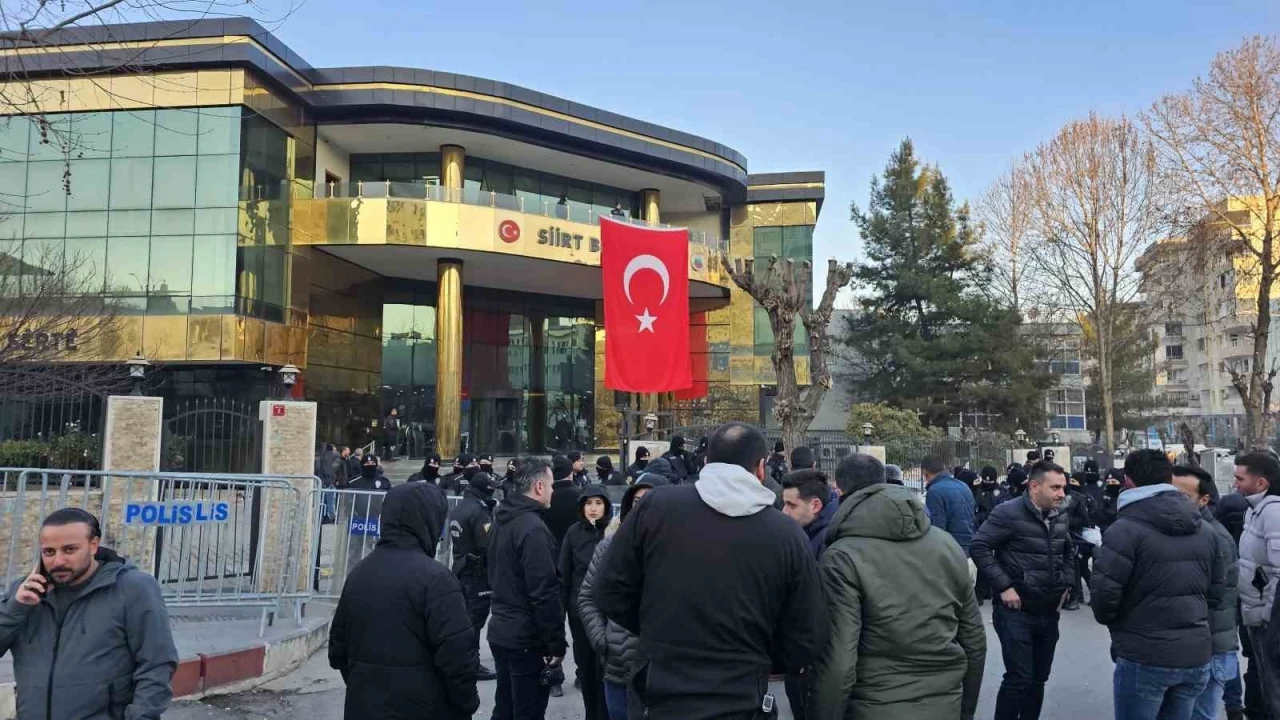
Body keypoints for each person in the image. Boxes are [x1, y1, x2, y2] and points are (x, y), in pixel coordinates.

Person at [595, 422, 823, 720]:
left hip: (661, 692)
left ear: (706, 461)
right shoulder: (787, 534)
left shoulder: (656, 507)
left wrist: (657, 630)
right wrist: (758, 656)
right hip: (740, 695)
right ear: (761, 468)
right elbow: (806, 634)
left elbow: (609, 589)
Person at [809, 454, 986, 720]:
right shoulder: (946, 545)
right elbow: (974, 640)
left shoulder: (842, 557)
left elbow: (839, 660)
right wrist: (965, 710)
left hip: (874, 705)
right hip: (944, 702)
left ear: (840, 491)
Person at [0, 508, 178, 720]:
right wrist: (16, 608)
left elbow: (157, 665)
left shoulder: (132, 588)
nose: (58, 561)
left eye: (69, 550)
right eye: (49, 552)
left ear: (93, 545)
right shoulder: (25, 592)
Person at [329, 481, 480, 719]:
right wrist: (466, 704)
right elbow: (457, 658)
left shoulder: (359, 574)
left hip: (365, 707)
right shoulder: (437, 580)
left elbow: (338, 650)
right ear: (431, 521)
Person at [1091, 450, 1222, 720]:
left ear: (1128, 481)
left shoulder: (1124, 529)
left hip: (1144, 653)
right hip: (1194, 653)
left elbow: (1104, 598)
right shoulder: (1206, 529)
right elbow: (1217, 592)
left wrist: (1123, 627)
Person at [971, 460, 1075, 720]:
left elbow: (1067, 551)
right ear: (1034, 486)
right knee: (1019, 678)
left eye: (1063, 487)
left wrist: (1067, 584)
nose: (1061, 493)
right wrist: (1004, 586)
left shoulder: (1060, 514)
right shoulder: (1007, 512)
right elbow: (980, 547)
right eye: (1055, 487)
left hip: (1048, 610)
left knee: (1038, 679)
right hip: (1015, 611)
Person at [486, 457, 567, 720]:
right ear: (539, 487)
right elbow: (544, 591)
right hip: (525, 637)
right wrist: (555, 643)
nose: (553, 491)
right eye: (551, 485)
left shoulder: (503, 520)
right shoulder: (532, 529)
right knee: (525, 710)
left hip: (502, 629)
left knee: (505, 707)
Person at [578, 476, 660, 720]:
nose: (642, 508)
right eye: (637, 501)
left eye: (650, 501)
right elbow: (587, 597)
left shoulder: (679, 549)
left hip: (664, 670)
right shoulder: (609, 547)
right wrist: (602, 640)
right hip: (619, 668)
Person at [1171, 464, 1240, 720]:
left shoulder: (1213, 537)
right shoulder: (1189, 531)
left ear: (1203, 500)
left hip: (1211, 649)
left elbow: (1214, 595)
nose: (1173, 501)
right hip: (1197, 647)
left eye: (1183, 496)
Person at [559, 485, 614, 720]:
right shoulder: (573, 533)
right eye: (588, 503)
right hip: (580, 615)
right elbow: (564, 575)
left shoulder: (614, 531)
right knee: (587, 669)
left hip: (609, 615)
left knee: (608, 671)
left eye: (598, 503)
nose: (593, 508)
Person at [1235, 450, 1280, 718]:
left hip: (1269, 622)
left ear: (1261, 482)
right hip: (1258, 617)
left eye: (1240, 478)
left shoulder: (1273, 512)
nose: (1235, 484)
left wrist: (1267, 616)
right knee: (1267, 690)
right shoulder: (1255, 510)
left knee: (1275, 693)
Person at [449, 470, 498, 681]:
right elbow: (487, 544)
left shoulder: (460, 508)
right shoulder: (479, 511)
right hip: (477, 572)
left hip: (461, 568)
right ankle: (471, 663)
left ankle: (465, 660)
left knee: (467, 617)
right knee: (474, 620)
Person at [1217, 482, 1257, 720]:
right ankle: (1255, 705)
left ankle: (1233, 704)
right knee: (1256, 655)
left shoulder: (1227, 505)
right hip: (1254, 589)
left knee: (1228, 648)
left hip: (1227, 587)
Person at [924, 456, 977, 555]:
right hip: (969, 547)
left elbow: (938, 528)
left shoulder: (934, 491)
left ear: (926, 472)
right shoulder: (964, 486)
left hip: (950, 551)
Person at [781, 469, 837, 559]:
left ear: (815, 506)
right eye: (784, 504)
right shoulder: (810, 530)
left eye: (791, 505)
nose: (784, 511)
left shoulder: (829, 541)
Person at [1061, 472, 1093, 610]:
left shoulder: (1077, 497)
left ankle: (1076, 596)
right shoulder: (1052, 496)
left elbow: (1084, 519)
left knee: (1076, 566)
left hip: (1073, 537)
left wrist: (1066, 521)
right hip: (1057, 536)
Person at [972, 466, 1003, 605]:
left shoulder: (1001, 492)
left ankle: (992, 590)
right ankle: (981, 592)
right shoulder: (977, 490)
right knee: (984, 560)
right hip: (982, 529)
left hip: (998, 529)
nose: (988, 483)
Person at [544, 454, 582, 548]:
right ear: (570, 473)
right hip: (574, 546)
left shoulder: (543, 495)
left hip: (548, 545)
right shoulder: (580, 494)